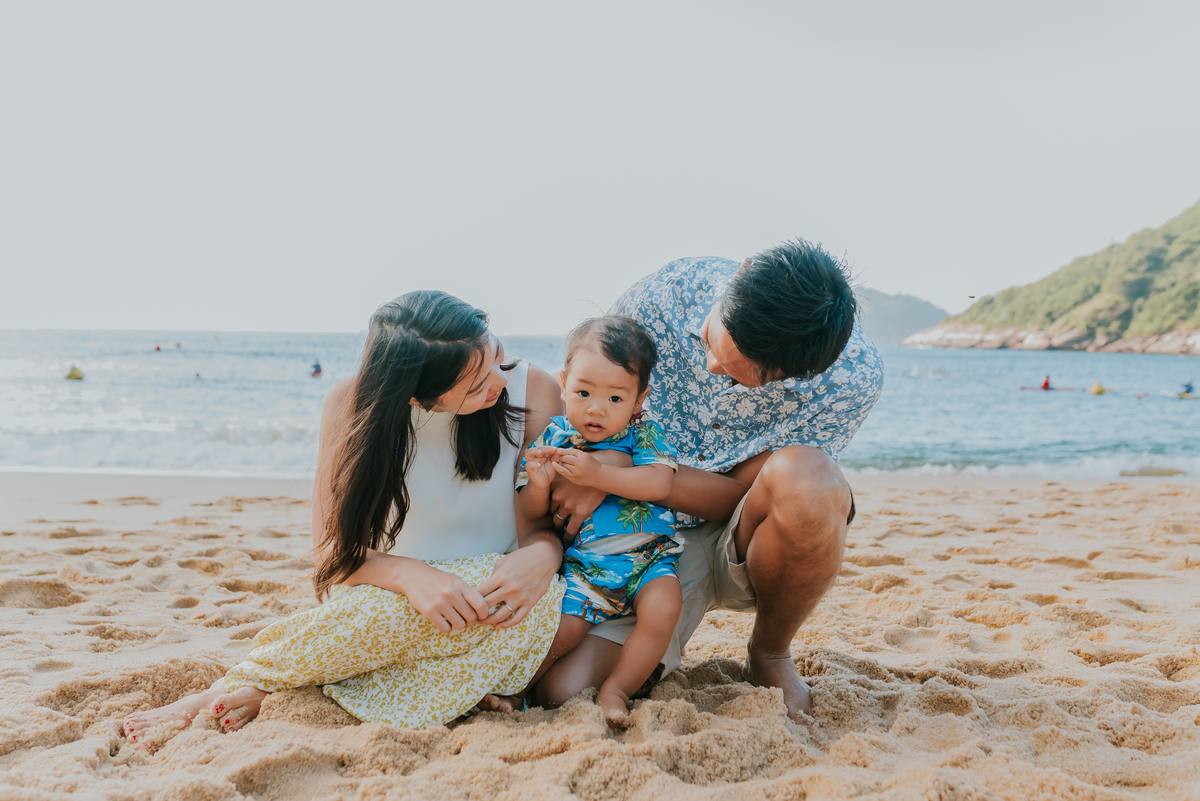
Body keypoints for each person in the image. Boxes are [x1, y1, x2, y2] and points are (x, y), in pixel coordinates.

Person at [123, 290, 567, 745]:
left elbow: (553, 524)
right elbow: (331, 553)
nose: (498, 380)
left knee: (517, 615)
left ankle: (276, 684)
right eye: (474, 386)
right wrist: (410, 576)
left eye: (496, 353)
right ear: (417, 400)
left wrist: (543, 557)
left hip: (493, 589)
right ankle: (244, 685)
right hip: (383, 596)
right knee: (388, 618)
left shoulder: (534, 391)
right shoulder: (349, 404)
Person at [532, 240, 884, 724]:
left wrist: (619, 474)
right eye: (711, 343)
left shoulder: (850, 379)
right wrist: (607, 464)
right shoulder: (670, 292)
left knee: (811, 481)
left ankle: (770, 652)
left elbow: (739, 496)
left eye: (742, 377)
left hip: (737, 532)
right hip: (626, 530)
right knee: (562, 690)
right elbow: (591, 385)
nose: (715, 368)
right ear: (739, 275)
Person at [494, 317, 682, 727]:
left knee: (664, 609)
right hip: (586, 569)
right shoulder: (553, 438)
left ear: (639, 399)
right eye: (583, 393)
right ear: (563, 385)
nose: (596, 408)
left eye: (615, 398)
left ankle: (617, 689)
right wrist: (538, 485)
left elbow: (660, 482)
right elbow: (531, 512)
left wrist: (598, 474)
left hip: (649, 560)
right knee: (563, 631)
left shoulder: (644, 433)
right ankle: (517, 689)